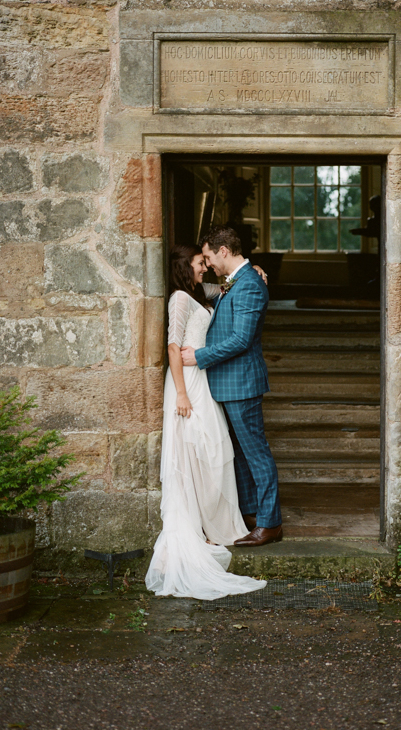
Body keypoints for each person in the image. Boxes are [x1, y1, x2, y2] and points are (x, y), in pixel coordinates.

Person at [145, 243, 267, 600]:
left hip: (203, 381)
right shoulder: (179, 299)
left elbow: (230, 284)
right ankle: (200, 529)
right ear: (187, 267)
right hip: (187, 385)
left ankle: (212, 525)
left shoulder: (201, 292)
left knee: (212, 452)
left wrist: (254, 268)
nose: (206, 267)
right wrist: (181, 394)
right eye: (201, 263)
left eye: (207, 261)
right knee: (196, 452)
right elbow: (172, 348)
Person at [181, 225, 283, 547]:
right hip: (227, 384)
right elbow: (208, 292)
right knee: (238, 453)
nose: (208, 263)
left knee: (256, 453)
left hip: (242, 383)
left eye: (209, 256)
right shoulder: (237, 280)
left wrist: (199, 357)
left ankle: (270, 523)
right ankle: (252, 512)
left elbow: (241, 339)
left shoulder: (250, 285)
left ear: (223, 251)